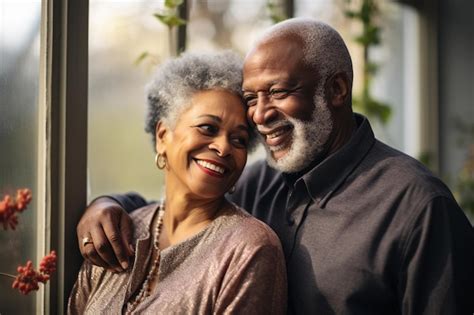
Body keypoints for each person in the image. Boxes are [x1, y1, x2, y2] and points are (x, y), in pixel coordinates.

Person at [77, 18, 474, 314]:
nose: (260, 115)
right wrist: (108, 204)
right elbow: (182, 209)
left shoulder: (419, 207)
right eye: (251, 97)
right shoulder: (259, 182)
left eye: (279, 92)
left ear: (336, 89)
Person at [69, 52, 287, 314]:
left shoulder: (249, 249)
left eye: (239, 140)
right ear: (163, 136)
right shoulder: (116, 233)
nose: (223, 147)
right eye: (208, 128)